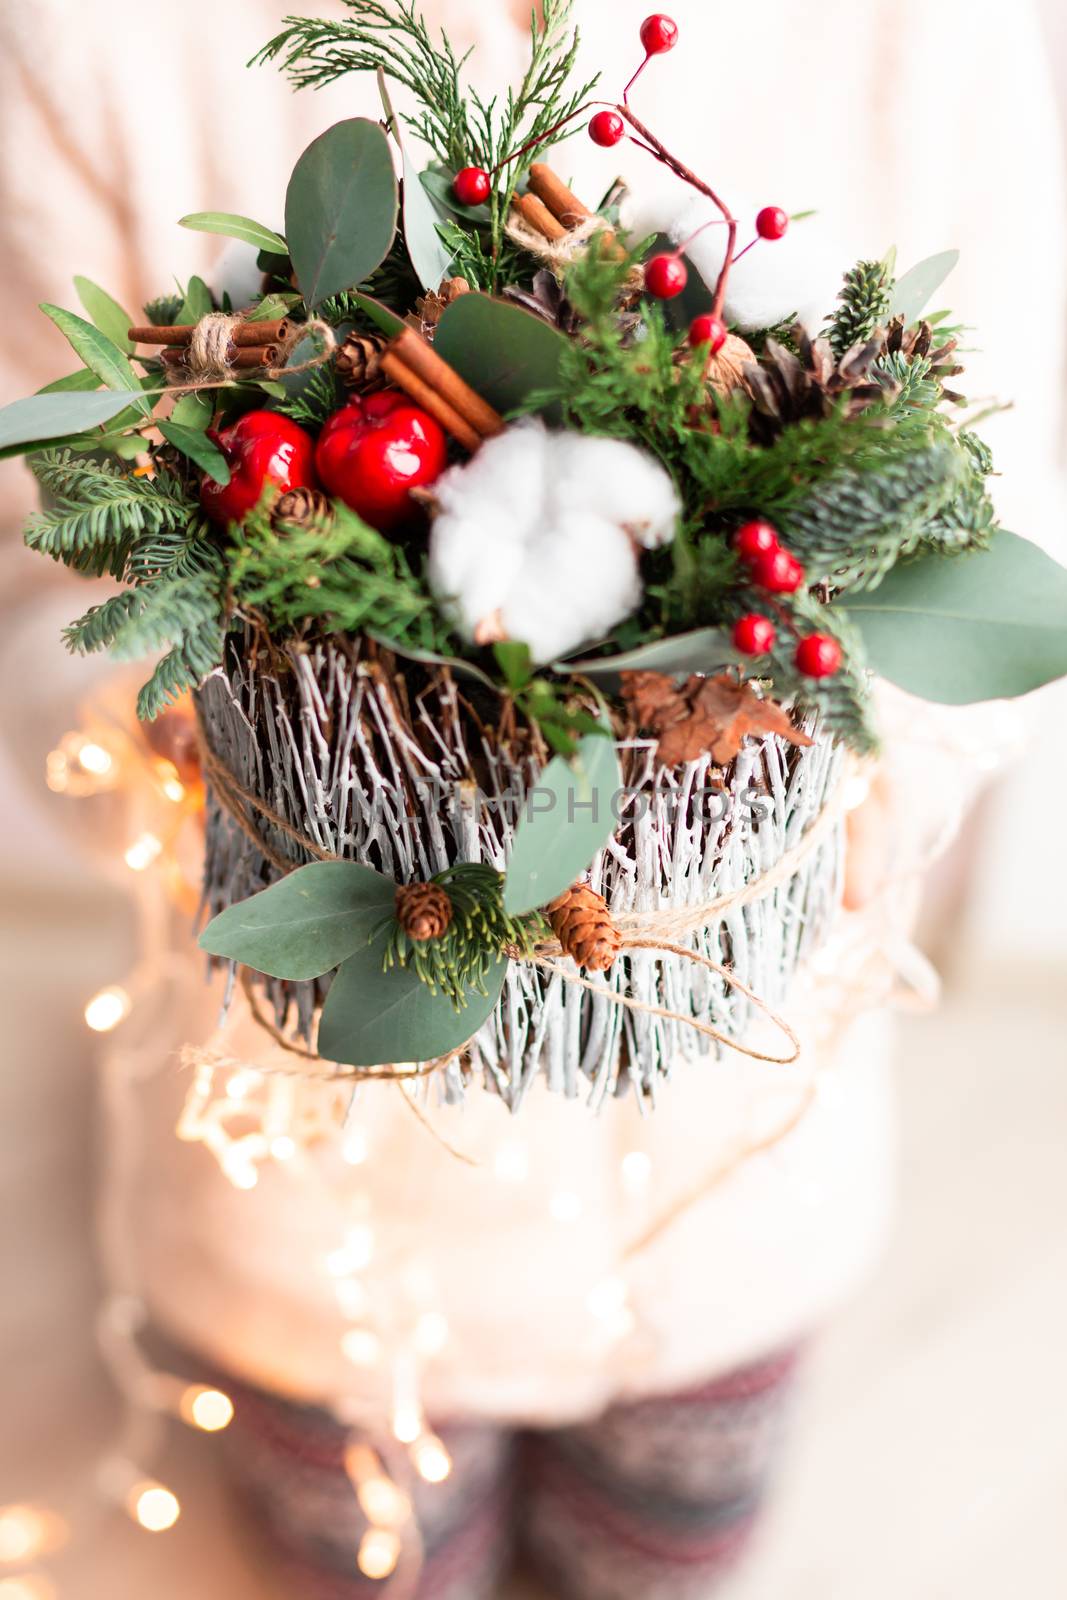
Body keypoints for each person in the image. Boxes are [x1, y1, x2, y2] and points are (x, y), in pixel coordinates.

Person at [0, 2, 1063, 1597]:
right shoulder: (98, 42)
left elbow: (1000, 496)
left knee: (663, 1560)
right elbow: (48, 573)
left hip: (738, 1168)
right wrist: (235, 750)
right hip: (314, 1222)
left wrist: (843, 779)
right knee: (367, 1569)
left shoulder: (926, 35)